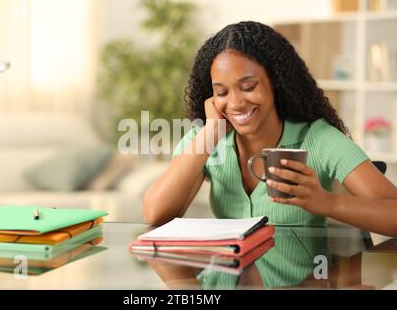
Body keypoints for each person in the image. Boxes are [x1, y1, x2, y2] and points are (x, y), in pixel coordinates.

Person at [142, 21, 397, 236]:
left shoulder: (318, 139)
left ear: (276, 82)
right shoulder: (208, 139)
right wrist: (209, 134)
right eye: (222, 92)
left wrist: (329, 203)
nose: (235, 103)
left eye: (249, 86)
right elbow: (155, 214)